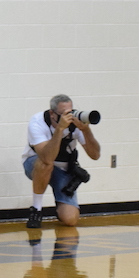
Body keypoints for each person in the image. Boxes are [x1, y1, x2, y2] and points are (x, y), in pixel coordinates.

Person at [22, 94, 100, 229]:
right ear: (52, 114)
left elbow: (95, 155)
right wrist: (59, 129)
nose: (69, 116)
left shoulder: (76, 124)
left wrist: (85, 130)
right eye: (64, 114)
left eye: (71, 111)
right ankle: (36, 209)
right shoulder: (38, 122)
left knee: (70, 220)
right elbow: (47, 158)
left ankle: (60, 205)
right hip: (36, 164)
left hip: (63, 169)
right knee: (46, 164)